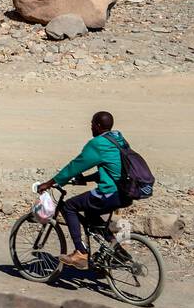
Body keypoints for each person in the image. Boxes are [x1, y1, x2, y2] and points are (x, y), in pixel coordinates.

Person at [37, 110, 129, 270]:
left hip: (109, 193)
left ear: (98, 126)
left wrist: (50, 182)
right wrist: (85, 179)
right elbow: (111, 171)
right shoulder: (118, 140)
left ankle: (80, 252)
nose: (91, 126)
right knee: (91, 215)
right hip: (125, 193)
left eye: (92, 123)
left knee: (69, 206)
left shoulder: (98, 144)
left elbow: (75, 165)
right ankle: (116, 251)